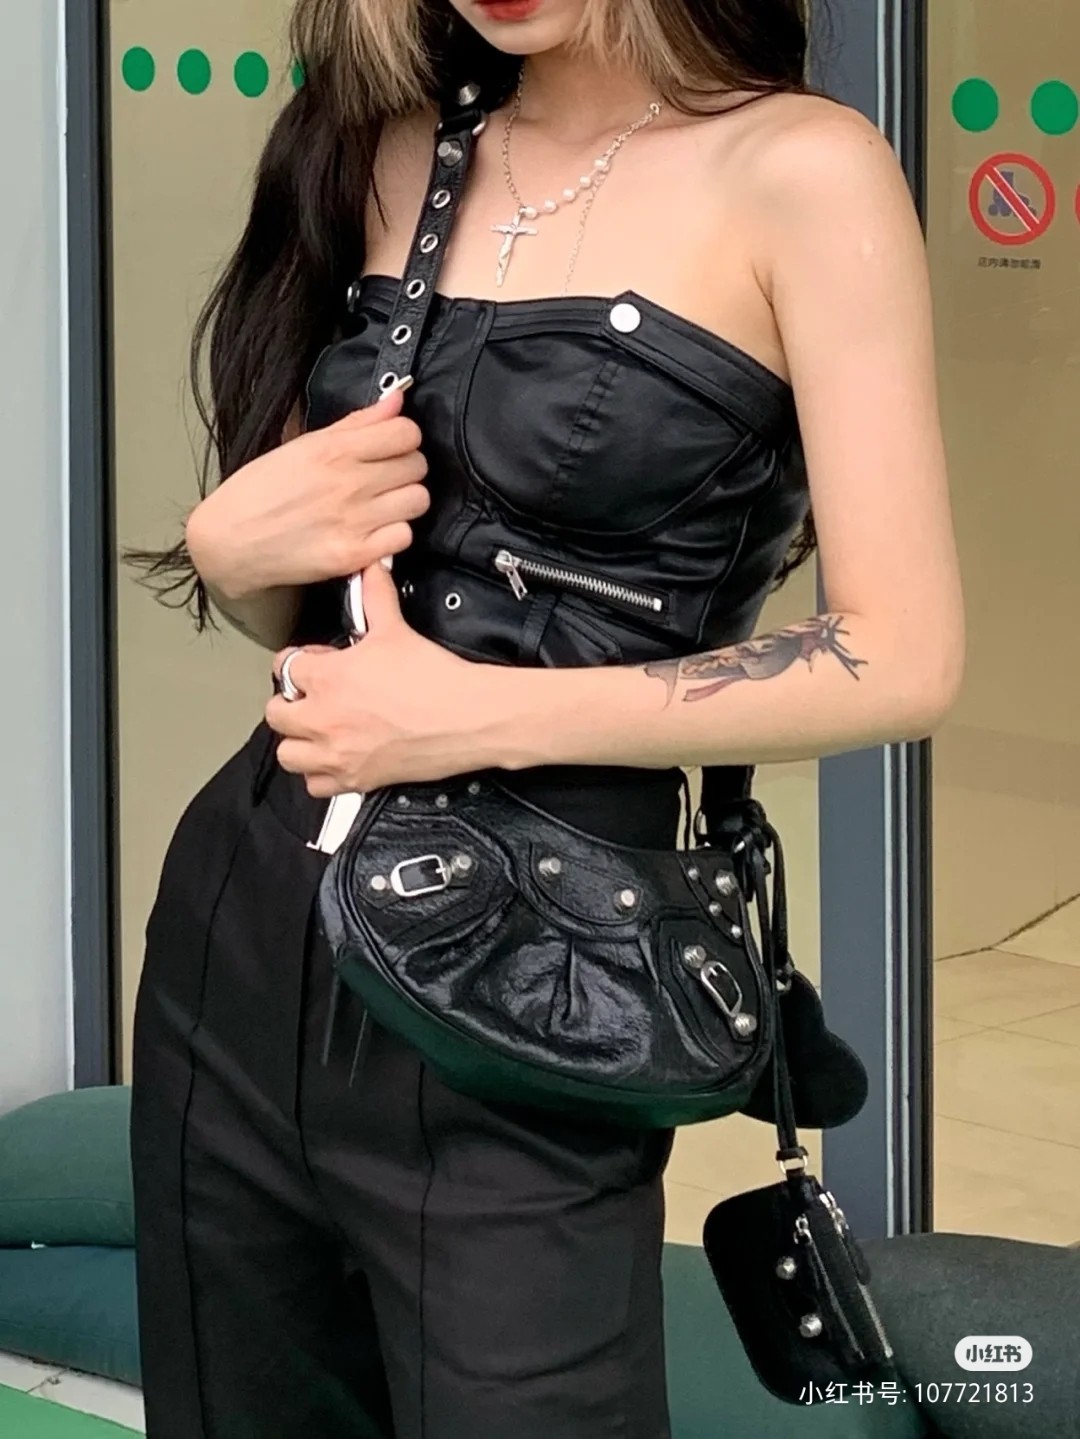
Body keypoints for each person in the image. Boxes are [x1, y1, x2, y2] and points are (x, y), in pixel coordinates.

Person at [128, 2, 964, 1436]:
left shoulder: (803, 171)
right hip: (239, 937)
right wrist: (229, 552)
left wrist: (471, 718)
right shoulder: (386, 148)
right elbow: (331, 611)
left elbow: (901, 659)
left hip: (540, 978)